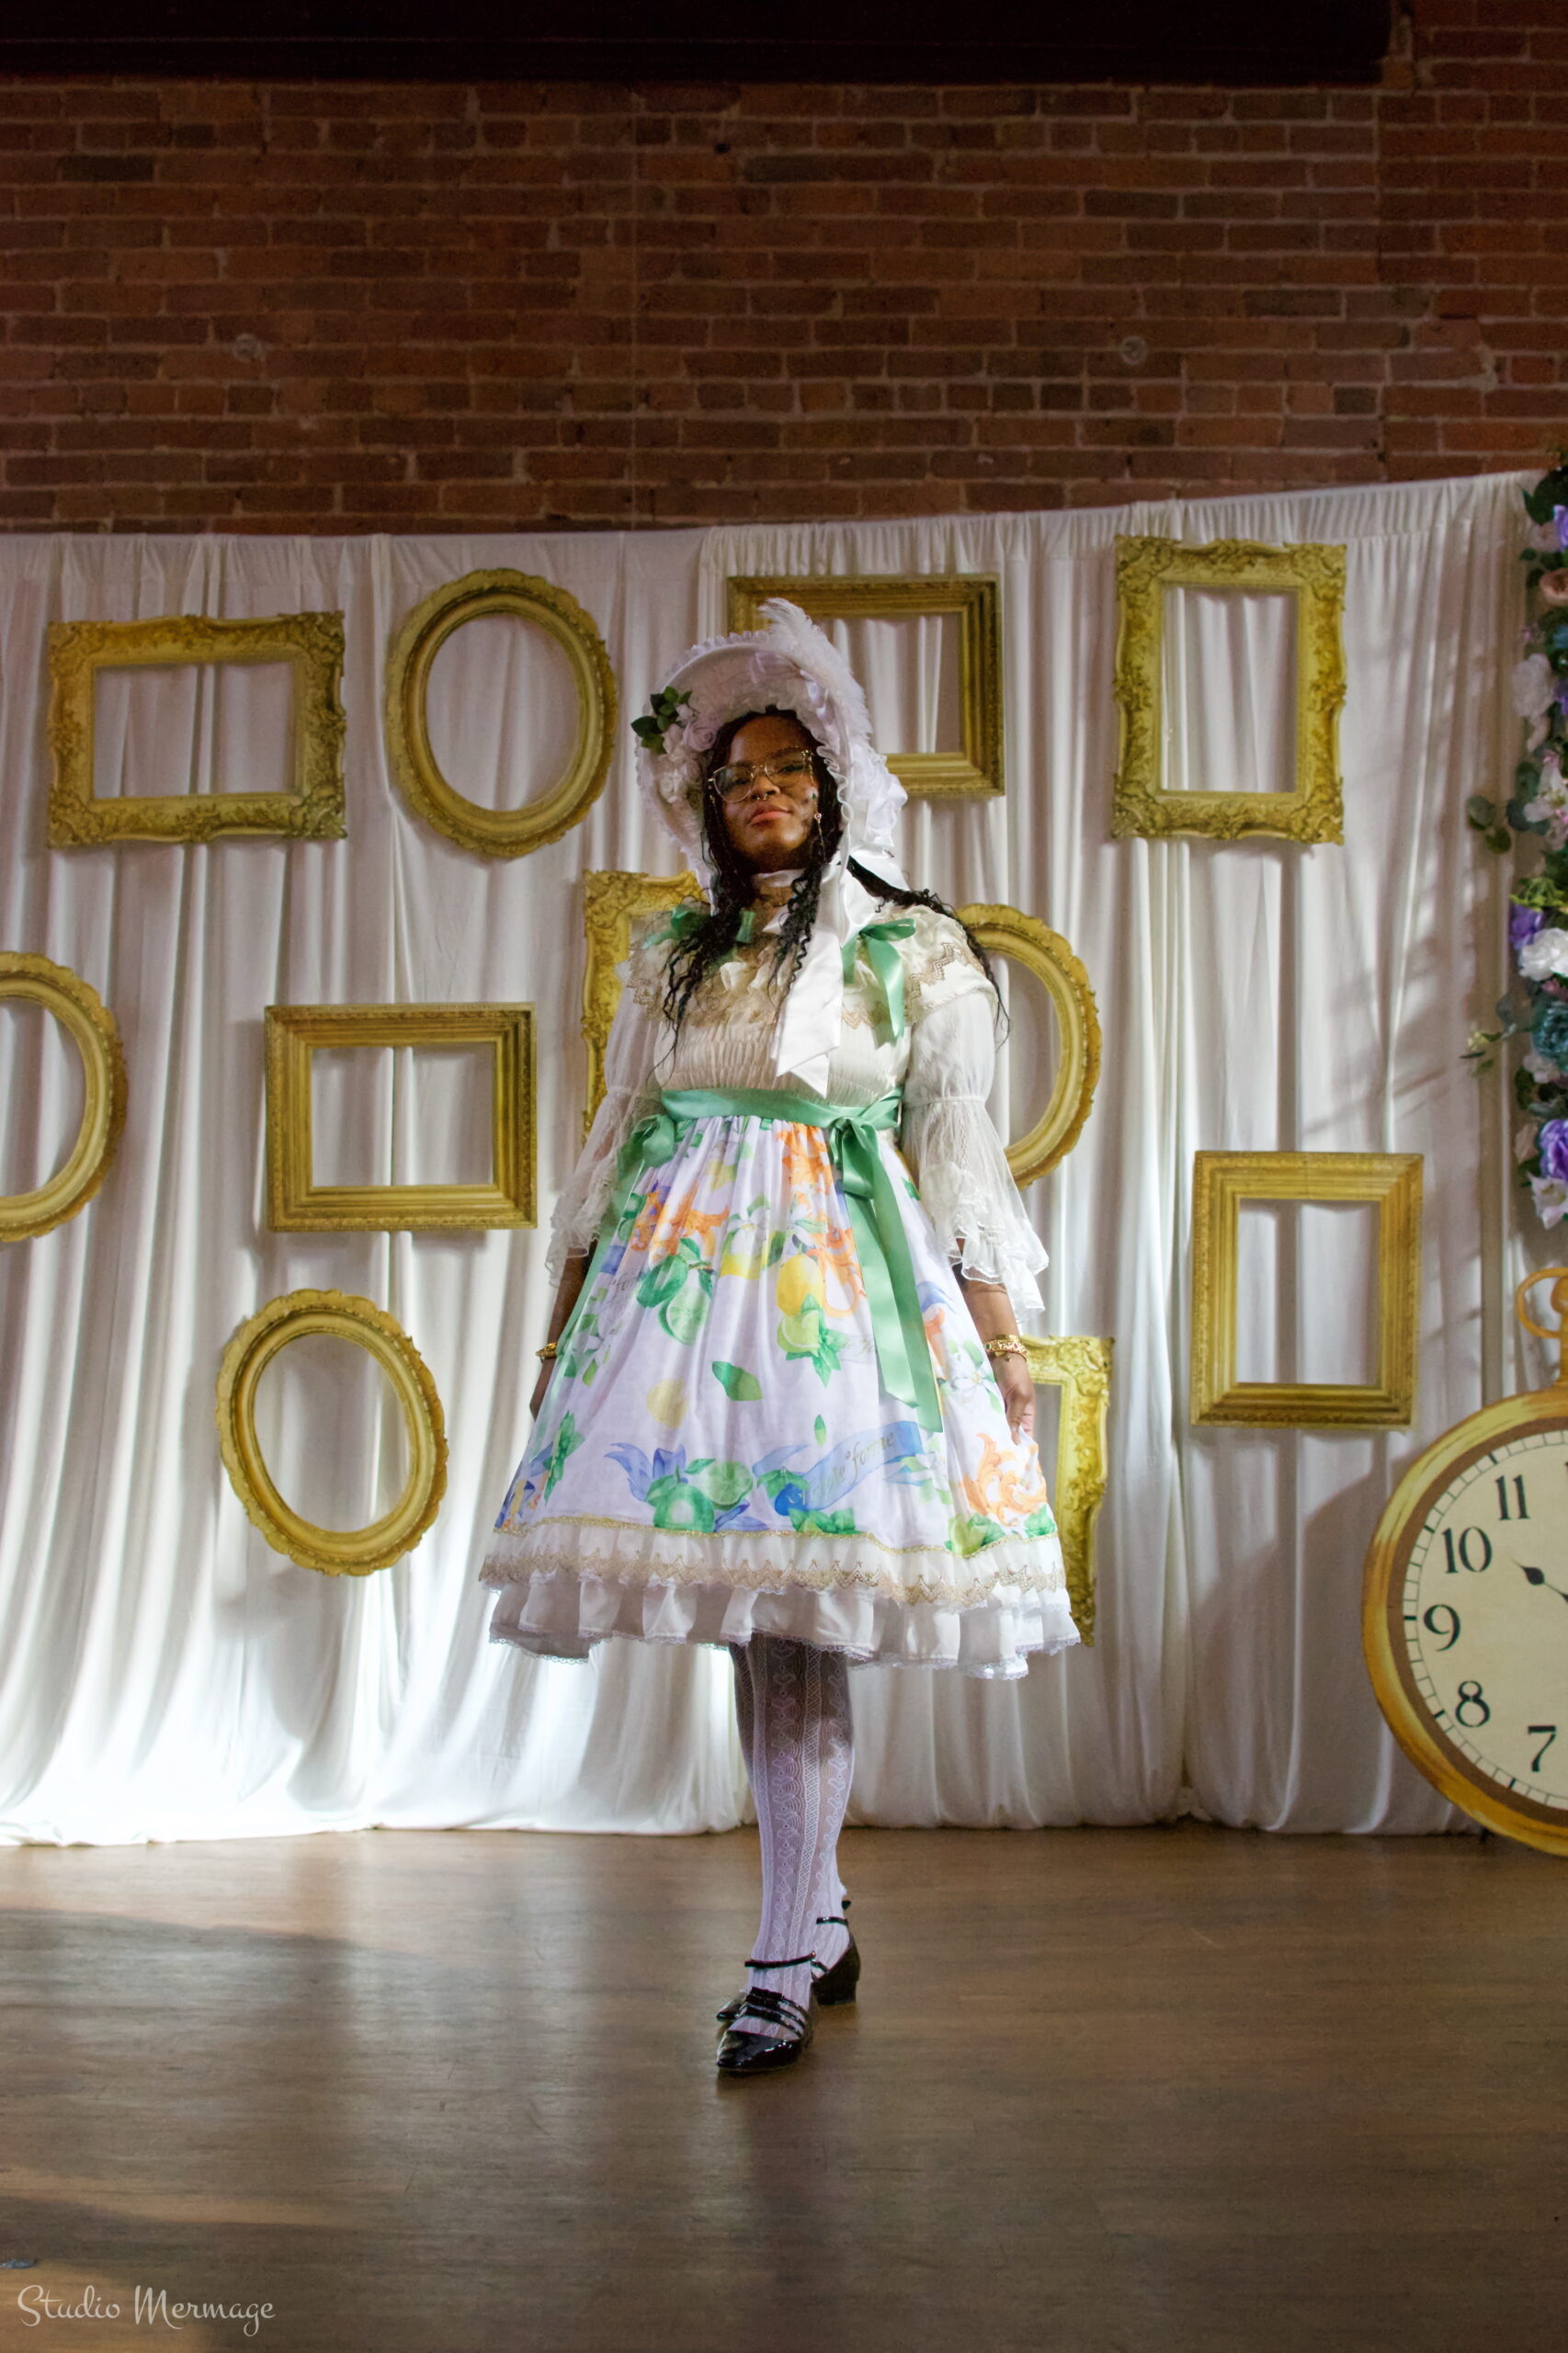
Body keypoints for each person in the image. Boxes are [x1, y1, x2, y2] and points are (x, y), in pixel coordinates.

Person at [481, 601, 1078, 2076]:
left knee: (799, 1622)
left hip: (837, 1306)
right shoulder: (677, 951)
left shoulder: (910, 950)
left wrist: (1003, 1347)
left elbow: (954, 1152)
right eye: (737, 774)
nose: (763, 793)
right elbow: (624, 1137)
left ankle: (780, 1958)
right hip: (688, 1309)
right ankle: (810, 1915)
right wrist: (560, 1341)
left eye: (789, 769)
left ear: (838, 781)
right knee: (761, 1619)